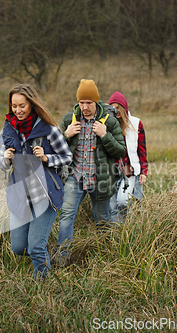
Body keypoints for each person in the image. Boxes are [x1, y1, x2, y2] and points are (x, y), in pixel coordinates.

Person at [0, 83, 72, 278]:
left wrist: (47, 158)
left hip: (45, 195)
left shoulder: (49, 130)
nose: (18, 110)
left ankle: (44, 289)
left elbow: (67, 156)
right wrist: (5, 158)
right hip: (20, 196)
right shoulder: (8, 131)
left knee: (35, 248)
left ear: (31, 104)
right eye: (14, 106)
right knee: (19, 247)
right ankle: (44, 247)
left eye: (22, 106)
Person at [54, 79, 126, 266]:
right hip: (75, 177)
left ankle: (105, 258)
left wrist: (105, 135)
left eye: (89, 103)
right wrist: (66, 135)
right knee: (66, 216)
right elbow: (55, 150)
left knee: (102, 221)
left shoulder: (108, 122)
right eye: (82, 102)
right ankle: (62, 258)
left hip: (100, 179)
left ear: (96, 103)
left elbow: (120, 151)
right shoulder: (69, 120)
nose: (85, 107)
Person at [108, 91, 148, 223]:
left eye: (119, 107)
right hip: (111, 171)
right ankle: (117, 234)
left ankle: (127, 223)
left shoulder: (136, 123)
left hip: (129, 171)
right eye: (113, 107)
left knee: (123, 201)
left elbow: (142, 150)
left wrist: (143, 171)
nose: (116, 110)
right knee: (112, 206)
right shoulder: (107, 125)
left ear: (124, 108)